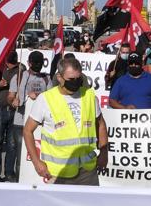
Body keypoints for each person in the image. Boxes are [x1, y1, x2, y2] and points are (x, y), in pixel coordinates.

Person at [23, 55, 108, 186]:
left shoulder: (89, 96)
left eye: (78, 78)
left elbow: (101, 125)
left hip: (87, 171)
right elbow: (28, 130)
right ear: (59, 78)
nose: (75, 82)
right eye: (70, 79)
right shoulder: (45, 99)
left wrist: (104, 152)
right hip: (57, 173)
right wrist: (36, 162)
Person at [0, 51, 21, 180]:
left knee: (11, 145)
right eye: (9, 62)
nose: (11, 65)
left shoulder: (21, 71)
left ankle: (9, 173)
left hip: (13, 111)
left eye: (14, 62)